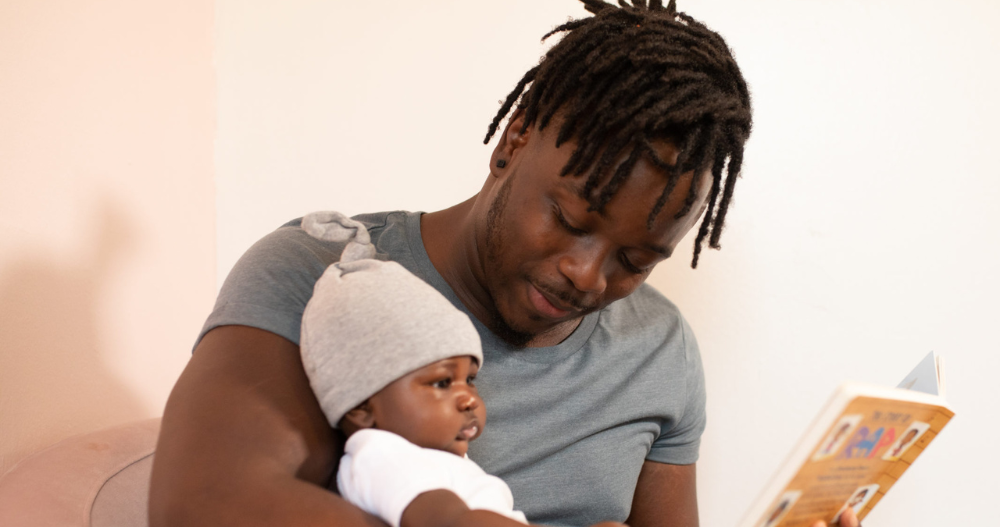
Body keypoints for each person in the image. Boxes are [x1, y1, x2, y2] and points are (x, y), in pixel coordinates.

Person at [148, 1, 858, 526]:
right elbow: (200, 503)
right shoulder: (324, 272)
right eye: (572, 219)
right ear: (513, 141)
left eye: (636, 259)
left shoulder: (660, 350)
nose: (588, 274)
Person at [297, 211, 622, 527]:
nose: (468, 399)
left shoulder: (432, 460)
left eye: (469, 380)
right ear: (362, 408)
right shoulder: (381, 457)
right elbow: (449, 520)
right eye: (441, 383)